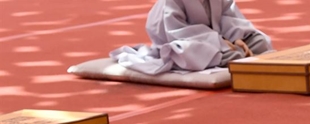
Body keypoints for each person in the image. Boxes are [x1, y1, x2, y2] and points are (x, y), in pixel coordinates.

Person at [110, 0, 273, 75]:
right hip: (183, 41)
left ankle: (235, 53)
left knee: (260, 42)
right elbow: (177, 31)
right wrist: (219, 42)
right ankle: (230, 56)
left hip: (220, 39)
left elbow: (229, 16)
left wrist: (237, 37)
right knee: (227, 55)